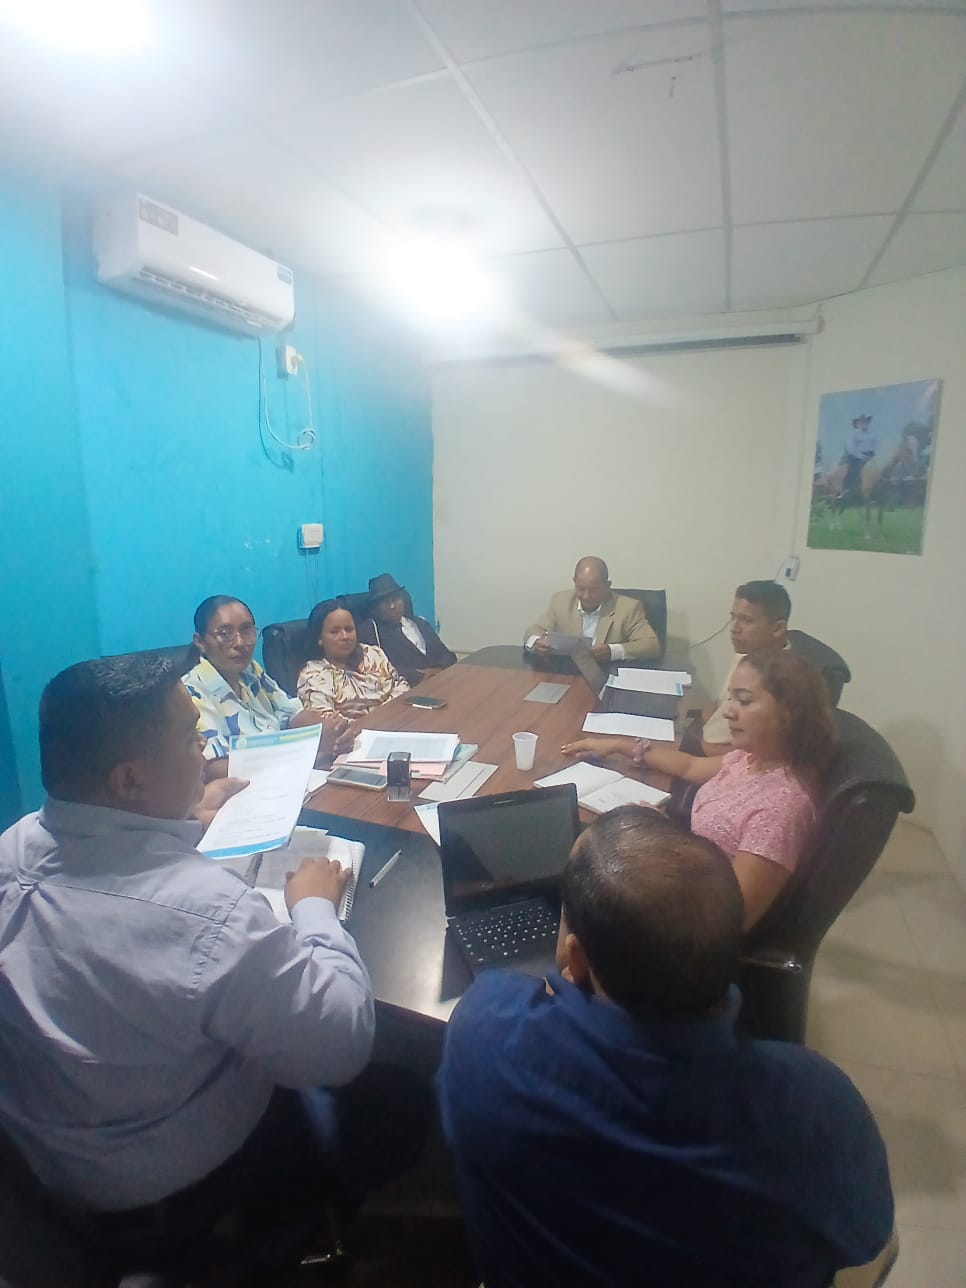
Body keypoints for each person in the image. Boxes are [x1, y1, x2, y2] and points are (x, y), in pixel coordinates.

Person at [0, 656, 428, 1276]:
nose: (204, 752)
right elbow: (341, 1046)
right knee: (400, 1100)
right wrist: (313, 909)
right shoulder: (211, 914)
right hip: (181, 1195)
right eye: (189, 738)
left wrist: (177, 820)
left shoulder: (12, 850)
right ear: (129, 779)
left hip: (49, 1171)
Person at [438, 806, 895, 1288]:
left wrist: (565, 986)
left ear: (577, 956)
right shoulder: (819, 1105)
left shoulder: (486, 1034)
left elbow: (507, 993)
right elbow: (867, 1241)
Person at [563, 649, 832, 929]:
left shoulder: (781, 808)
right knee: (584, 845)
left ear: (789, 712)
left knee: (582, 856)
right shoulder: (750, 758)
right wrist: (618, 745)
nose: (728, 712)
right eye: (731, 698)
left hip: (687, 922)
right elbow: (690, 766)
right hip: (683, 874)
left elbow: (731, 918)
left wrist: (665, 842)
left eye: (744, 701)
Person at [183, 594, 350, 777]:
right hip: (248, 787)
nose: (240, 643)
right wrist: (299, 757)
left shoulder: (250, 671)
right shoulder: (192, 692)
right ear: (200, 642)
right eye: (225, 634)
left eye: (246, 630)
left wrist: (328, 730)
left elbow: (292, 713)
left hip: (291, 774)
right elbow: (213, 767)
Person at [700, 579, 791, 754]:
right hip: (703, 741)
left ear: (777, 628)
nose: (734, 628)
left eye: (747, 620)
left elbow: (720, 748)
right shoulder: (749, 654)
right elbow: (713, 708)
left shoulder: (780, 677)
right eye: (733, 617)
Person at [524, 556, 660, 663]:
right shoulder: (560, 601)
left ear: (607, 585)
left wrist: (613, 651)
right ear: (574, 582)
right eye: (580, 589)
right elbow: (534, 630)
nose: (586, 596)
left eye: (593, 590)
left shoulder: (628, 608)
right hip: (568, 673)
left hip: (606, 674)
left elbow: (651, 645)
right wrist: (535, 642)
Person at [298, 598, 409, 719]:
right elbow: (329, 723)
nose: (345, 636)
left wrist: (380, 713)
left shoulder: (373, 654)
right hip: (358, 731)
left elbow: (402, 686)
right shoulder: (313, 676)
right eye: (334, 632)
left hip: (397, 720)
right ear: (319, 638)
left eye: (349, 629)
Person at [356, 573, 457, 687]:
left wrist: (438, 670)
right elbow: (377, 669)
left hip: (442, 682)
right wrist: (419, 675)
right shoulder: (370, 631)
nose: (392, 606)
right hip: (408, 689)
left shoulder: (420, 623)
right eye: (385, 602)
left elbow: (447, 655)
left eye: (396, 599)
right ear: (375, 608)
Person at [842, 412, 877, 496]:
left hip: (871, 455)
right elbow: (851, 448)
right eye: (861, 422)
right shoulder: (854, 434)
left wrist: (873, 455)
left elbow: (876, 445)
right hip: (857, 457)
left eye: (865, 421)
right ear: (858, 424)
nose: (864, 423)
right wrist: (862, 456)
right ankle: (848, 489)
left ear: (868, 423)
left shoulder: (872, 434)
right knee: (853, 471)